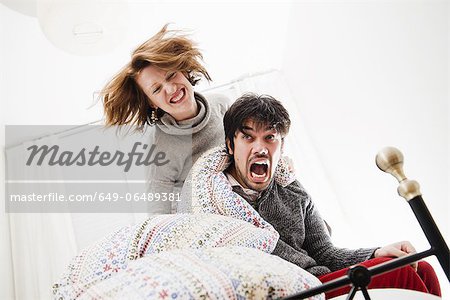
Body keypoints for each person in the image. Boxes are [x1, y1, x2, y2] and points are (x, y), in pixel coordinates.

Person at [182, 93, 441, 299]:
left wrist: (376, 253)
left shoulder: (293, 190)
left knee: (424, 268)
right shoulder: (212, 198)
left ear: (281, 147)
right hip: (290, 291)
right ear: (230, 144)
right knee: (399, 274)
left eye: (270, 137)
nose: (260, 148)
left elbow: (325, 252)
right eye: (248, 137)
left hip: (320, 281)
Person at [100, 24, 229, 213]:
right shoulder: (158, 147)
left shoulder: (222, 105)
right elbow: (157, 210)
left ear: (184, 71)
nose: (170, 89)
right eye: (156, 89)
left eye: (171, 75)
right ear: (152, 103)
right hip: (204, 216)